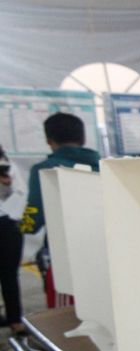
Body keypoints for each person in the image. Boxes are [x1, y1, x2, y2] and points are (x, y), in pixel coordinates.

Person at [20, 113, 101, 308]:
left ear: (49, 140)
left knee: (66, 317)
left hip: (66, 257)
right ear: (83, 139)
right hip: (104, 252)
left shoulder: (46, 169)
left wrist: (21, 225)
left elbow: (33, 218)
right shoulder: (105, 166)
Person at [0, 146, 26, 334]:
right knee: (9, 275)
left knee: (9, 274)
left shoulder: (9, 167)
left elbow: (21, 193)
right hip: (10, 224)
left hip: (9, 224)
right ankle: (13, 320)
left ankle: (15, 319)